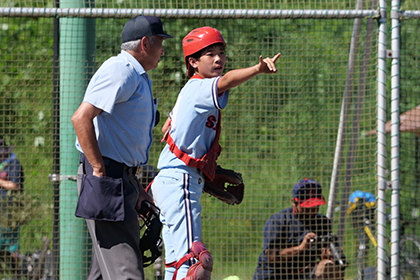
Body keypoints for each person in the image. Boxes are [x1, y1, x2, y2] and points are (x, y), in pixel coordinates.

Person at [150, 26, 281, 280]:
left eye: (221, 52)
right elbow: (228, 80)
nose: (219, 58)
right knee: (193, 262)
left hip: (173, 179)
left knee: (177, 265)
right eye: (209, 54)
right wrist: (257, 69)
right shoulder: (199, 88)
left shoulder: (191, 92)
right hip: (181, 181)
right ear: (194, 62)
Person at [71, 15, 172, 280]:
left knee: (104, 274)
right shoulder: (121, 70)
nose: (163, 49)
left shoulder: (136, 74)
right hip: (107, 180)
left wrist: (134, 185)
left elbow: (119, 138)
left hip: (121, 179)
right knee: (127, 273)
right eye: (160, 41)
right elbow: (81, 118)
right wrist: (99, 170)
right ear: (144, 43)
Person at [253, 178, 347, 280]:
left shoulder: (323, 222)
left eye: (315, 207)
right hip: (274, 274)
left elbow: (324, 256)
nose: (312, 211)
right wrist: (301, 247)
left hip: (304, 273)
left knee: (330, 267)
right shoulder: (278, 221)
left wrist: (327, 255)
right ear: (294, 202)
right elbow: (271, 256)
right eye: (307, 207)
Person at [0, 138, 24, 276]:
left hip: (11, 211)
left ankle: (16, 274)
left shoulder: (13, 162)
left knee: (11, 245)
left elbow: (16, 185)